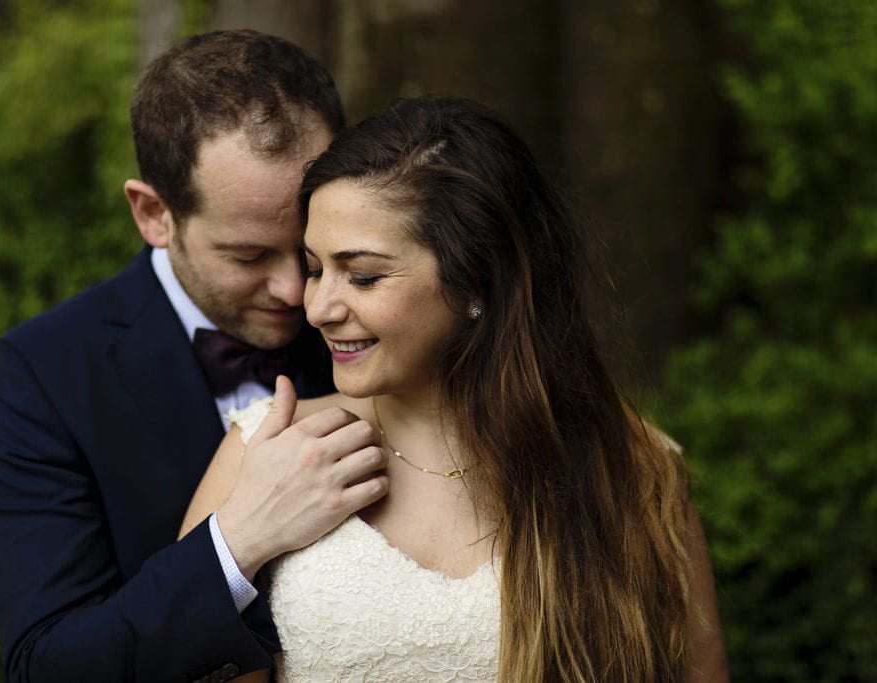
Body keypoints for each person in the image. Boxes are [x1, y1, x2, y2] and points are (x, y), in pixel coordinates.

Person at [181, 96, 729, 681]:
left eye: (362, 276)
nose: (317, 307)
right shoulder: (267, 451)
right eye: (316, 269)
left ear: (476, 282)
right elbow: (180, 653)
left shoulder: (630, 467)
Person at [0, 30, 390, 683]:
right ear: (153, 214)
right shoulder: (42, 375)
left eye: (308, 247)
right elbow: (46, 666)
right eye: (249, 256)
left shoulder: (387, 323)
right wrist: (238, 540)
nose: (297, 292)